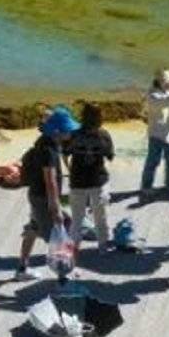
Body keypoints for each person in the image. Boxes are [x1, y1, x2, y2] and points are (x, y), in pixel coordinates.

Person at [15, 107, 75, 278]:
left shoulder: (47, 142)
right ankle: (63, 277)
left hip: (36, 195)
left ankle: (22, 268)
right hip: (43, 198)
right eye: (67, 130)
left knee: (34, 228)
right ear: (57, 131)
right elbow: (50, 180)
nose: (70, 132)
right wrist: (55, 207)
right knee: (58, 234)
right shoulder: (48, 150)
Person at [66, 104, 113, 247]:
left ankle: (74, 248)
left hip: (77, 179)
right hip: (97, 179)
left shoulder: (74, 134)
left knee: (77, 218)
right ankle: (103, 246)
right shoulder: (103, 134)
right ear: (99, 118)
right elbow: (109, 156)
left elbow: (65, 152)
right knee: (100, 216)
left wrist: (69, 168)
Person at [141, 70, 169, 198]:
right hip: (156, 134)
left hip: (168, 132)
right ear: (161, 82)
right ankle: (146, 186)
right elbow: (162, 102)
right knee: (153, 161)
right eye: (168, 82)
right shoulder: (151, 94)